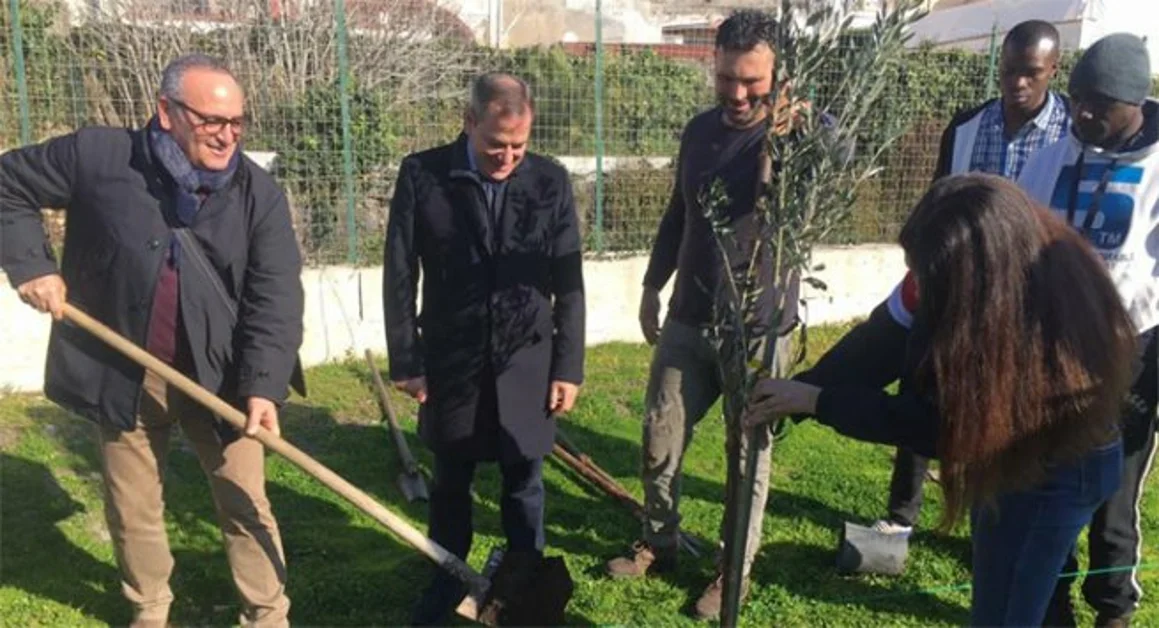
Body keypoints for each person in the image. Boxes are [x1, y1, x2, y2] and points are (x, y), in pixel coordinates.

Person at [746, 173, 1136, 626]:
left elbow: (938, 427)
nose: (916, 281)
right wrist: (800, 391)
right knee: (1007, 597)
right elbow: (881, 341)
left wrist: (819, 402)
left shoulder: (1034, 323)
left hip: (1062, 467)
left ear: (976, 278)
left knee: (1011, 611)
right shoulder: (940, 272)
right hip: (1010, 460)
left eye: (924, 272)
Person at [0, 53, 305, 627]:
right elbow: (6, 182)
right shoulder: (98, 157)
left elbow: (277, 294)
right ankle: (150, 609)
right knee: (133, 502)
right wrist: (30, 266)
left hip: (224, 374)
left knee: (245, 501)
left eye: (237, 121)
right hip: (122, 366)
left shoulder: (256, 193)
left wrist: (264, 386)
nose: (227, 135)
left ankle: (267, 615)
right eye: (211, 120)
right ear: (166, 111)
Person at [603, 9, 831, 620]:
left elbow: (844, 152)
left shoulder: (799, 133)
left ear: (779, 76)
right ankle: (660, 540)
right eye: (726, 77)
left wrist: (804, 134)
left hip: (757, 327)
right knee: (659, 435)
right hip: (690, 313)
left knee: (747, 453)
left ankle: (734, 569)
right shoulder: (699, 131)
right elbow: (680, 213)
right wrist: (654, 285)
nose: (736, 93)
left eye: (752, 82)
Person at [383, 71, 586, 626]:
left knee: (525, 482)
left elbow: (569, 282)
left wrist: (567, 366)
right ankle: (447, 579)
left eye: (519, 145)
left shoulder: (549, 181)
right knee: (452, 479)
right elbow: (399, 274)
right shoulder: (424, 175)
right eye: (496, 144)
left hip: (528, 358)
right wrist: (407, 360)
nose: (507, 157)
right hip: (452, 359)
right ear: (469, 122)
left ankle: (524, 589)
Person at [875, 18, 1072, 543]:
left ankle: (995, 517)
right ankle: (901, 513)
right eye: (1010, 71)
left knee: (1008, 407)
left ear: (1054, 69)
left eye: (1031, 73)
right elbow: (941, 201)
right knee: (923, 386)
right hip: (956, 291)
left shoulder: (1072, 134)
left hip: (1028, 298)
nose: (1018, 84)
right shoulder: (966, 128)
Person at [1015, 32, 1159, 628]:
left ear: (1136, 103)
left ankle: (1112, 610)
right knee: (1052, 485)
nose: (1084, 113)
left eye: (1099, 103)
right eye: (1077, 99)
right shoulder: (1054, 154)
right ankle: (1053, 602)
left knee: (1113, 497)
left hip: (1133, 351)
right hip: (1052, 350)